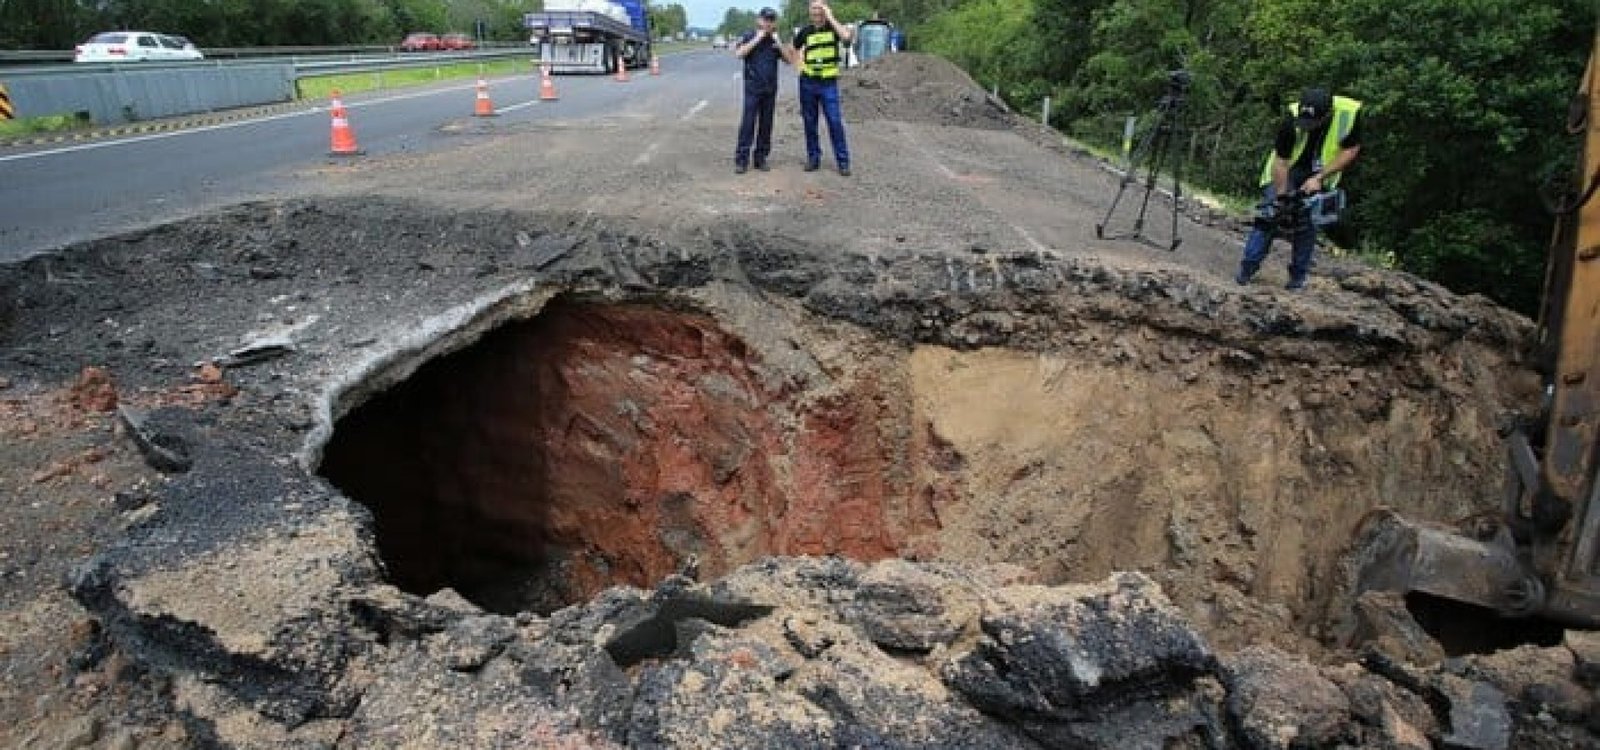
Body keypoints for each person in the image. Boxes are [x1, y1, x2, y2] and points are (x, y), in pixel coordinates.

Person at [1235, 87, 1362, 290]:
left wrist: (1319, 178)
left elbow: (1351, 150)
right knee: (1270, 216)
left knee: (1308, 222)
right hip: (1288, 169)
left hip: (1321, 173)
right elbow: (1281, 161)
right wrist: (1282, 197)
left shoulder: (1349, 114)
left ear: (1327, 115)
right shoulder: (1291, 119)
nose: (1307, 127)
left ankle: (1297, 280)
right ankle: (1246, 270)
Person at [791, 1, 853, 176]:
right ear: (809, 11)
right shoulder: (805, 32)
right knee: (810, 123)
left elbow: (847, 38)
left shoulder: (833, 28)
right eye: (813, 8)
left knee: (834, 122)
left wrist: (831, 17)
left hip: (828, 84)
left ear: (825, 9)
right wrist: (799, 66)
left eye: (820, 8)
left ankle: (843, 162)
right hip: (808, 83)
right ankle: (813, 158)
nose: (816, 12)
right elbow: (793, 49)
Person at [732, 7, 789, 174]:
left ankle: (761, 157)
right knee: (748, 124)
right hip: (752, 88)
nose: (768, 23)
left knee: (766, 125)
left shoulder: (774, 39)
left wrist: (778, 43)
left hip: (770, 89)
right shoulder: (750, 35)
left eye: (771, 20)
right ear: (759, 20)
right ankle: (742, 159)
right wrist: (758, 38)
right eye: (766, 19)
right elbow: (739, 53)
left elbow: (788, 60)